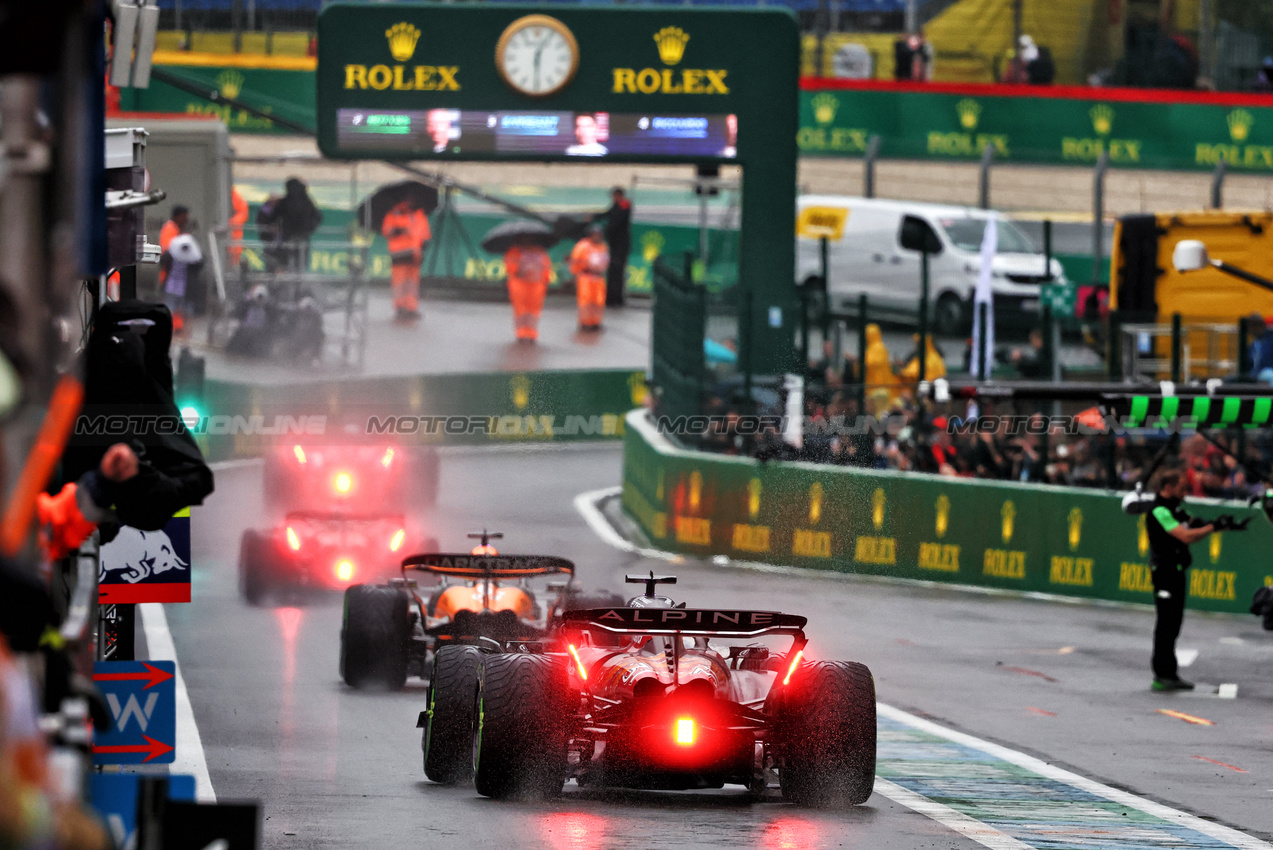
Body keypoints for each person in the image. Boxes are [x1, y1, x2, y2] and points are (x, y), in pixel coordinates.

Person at [1144, 469, 1247, 691]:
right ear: (1168, 487)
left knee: (1174, 622)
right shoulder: (1159, 511)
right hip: (1164, 572)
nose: (1185, 493)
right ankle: (1162, 674)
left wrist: (1225, 525)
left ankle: (1170, 673)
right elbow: (1185, 536)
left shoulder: (1176, 509)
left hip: (1176, 571)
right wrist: (1212, 528)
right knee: (1166, 623)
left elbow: (1194, 523)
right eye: (1181, 489)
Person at [381, 200, 431, 321]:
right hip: (399, 254)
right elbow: (387, 231)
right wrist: (401, 230)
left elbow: (425, 234)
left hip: (414, 255)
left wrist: (421, 246)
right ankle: (400, 307)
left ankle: (411, 307)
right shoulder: (393, 214)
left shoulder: (419, 214)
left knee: (412, 283)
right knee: (399, 282)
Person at [259, 177, 322, 272]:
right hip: (301, 237)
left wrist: (271, 224)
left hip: (288, 237)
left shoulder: (286, 202)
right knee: (299, 265)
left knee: (285, 263)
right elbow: (318, 217)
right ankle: (297, 283)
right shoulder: (307, 201)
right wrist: (309, 229)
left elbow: (272, 217)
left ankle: (288, 281)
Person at [504, 240, 552, 343]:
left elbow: (546, 267)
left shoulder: (541, 252)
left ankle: (531, 332)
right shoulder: (514, 251)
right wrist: (520, 271)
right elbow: (510, 267)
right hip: (519, 284)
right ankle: (521, 332)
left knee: (534, 309)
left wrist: (545, 279)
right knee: (521, 308)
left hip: (536, 285)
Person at [591, 187, 632, 307]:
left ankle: (617, 299)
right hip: (614, 244)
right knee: (612, 271)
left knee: (618, 272)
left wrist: (605, 232)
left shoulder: (624, 205)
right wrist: (594, 216)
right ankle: (610, 297)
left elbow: (616, 222)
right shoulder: (615, 205)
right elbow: (607, 214)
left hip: (621, 245)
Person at [570, 227, 609, 331]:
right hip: (586, 277)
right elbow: (576, 262)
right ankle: (585, 322)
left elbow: (605, 261)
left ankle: (595, 321)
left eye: (599, 234)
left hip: (598, 277)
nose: (598, 236)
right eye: (595, 234)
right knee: (586, 300)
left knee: (598, 301)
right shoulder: (583, 246)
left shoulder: (603, 247)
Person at [1246, 313, 1273, 382]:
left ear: (1263, 325)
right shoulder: (1252, 346)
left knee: (1268, 374)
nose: (1254, 328)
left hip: (1268, 373)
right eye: (1251, 326)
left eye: (1256, 325)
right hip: (1254, 375)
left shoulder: (1270, 340)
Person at [228, 187, 249, 267]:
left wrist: (231, 222)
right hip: (227, 240)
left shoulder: (235, 196)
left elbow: (243, 213)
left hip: (235, 239)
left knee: (234, 260)